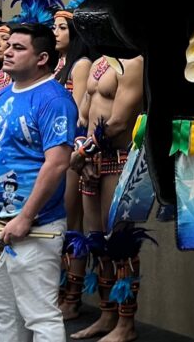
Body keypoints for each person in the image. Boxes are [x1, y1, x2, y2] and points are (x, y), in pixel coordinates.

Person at [0, 23, 78, 342]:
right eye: (8, 44)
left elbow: (57, 162)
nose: (8, 50)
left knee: (40, 315)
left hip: (35, 226)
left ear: (42, 58)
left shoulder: (53, 100)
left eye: (19, 47)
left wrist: (25, 217)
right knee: (4, 310)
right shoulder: (6, 93)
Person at [69, 55, 144, 342]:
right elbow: (83, 115)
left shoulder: (135, 63)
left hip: (119, 158)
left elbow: (119, 122)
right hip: (90, 160)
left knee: (120, 243)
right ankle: (107, 315)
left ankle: (126, 324)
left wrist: (81, 154)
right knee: (96, 241)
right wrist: (82, 152)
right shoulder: (100, 62)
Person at [53, 9, 95, 320]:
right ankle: (59, 290)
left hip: (71, 149)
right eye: (53, 27)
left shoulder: (80, 66)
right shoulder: (59, 66)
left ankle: (72, 296)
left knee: (72, 225)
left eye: (62, 27)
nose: (55, 32)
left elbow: (77, 113)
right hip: (53, 150)